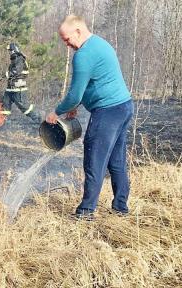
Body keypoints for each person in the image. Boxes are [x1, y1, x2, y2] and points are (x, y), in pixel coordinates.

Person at [46, 15, 133, 220]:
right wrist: (77, 105)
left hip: (108, 112)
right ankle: (120, 208)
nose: (67, 44)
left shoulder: (83, 54)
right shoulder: (99, 43)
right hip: (124, 106)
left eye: (67, 39)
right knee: (116, 160)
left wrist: (56, 112)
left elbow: (75, 93)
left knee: (94, 161)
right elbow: (94, 82)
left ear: (78, 31)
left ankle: (86, 212)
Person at [1, 43, 42, 123]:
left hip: (18, 88)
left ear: (14, 50)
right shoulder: (14, 60)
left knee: (23, 106)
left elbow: (16, 71)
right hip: (10, 88)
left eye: (10, 50)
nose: (9, 52)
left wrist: (6, 74)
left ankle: (37, 117)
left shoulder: (19, 59)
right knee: (5, 105)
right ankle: (2, 121)